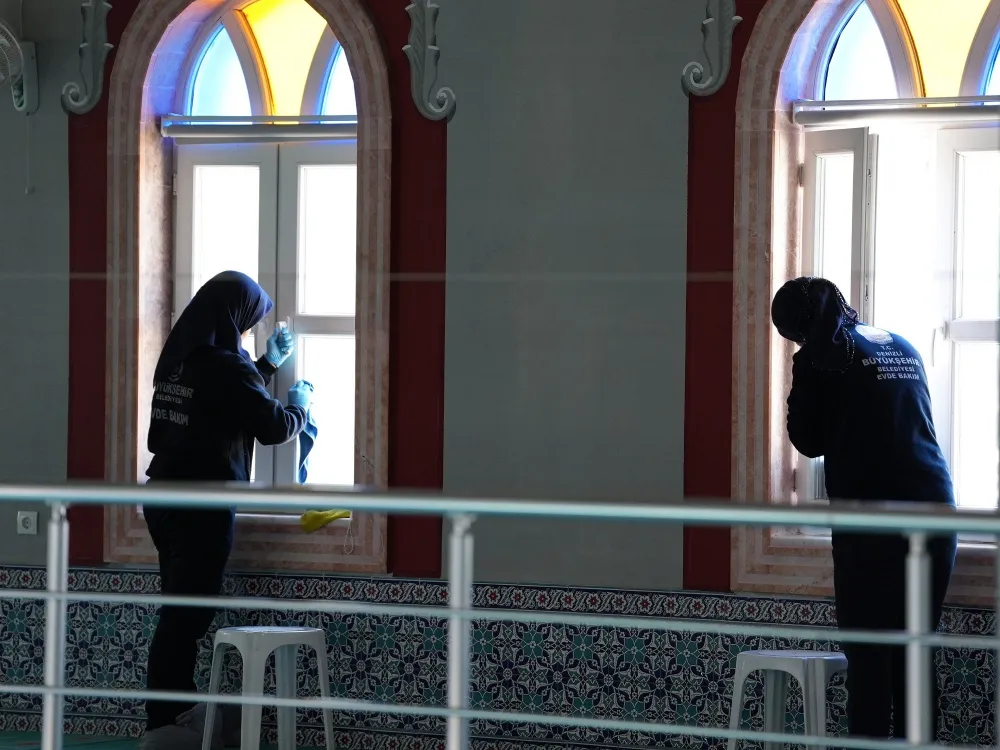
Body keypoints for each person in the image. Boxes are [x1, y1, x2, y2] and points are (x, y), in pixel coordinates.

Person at [771, 276, 956, 741]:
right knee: (915, 654)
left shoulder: (823, 358)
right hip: (936, 511)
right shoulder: (899, 343)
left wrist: (803, 365)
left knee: (869, 658)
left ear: (799, 328)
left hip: (873, 522)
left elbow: (807, 440)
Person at [140, 271, 314, 750]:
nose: (248, 329)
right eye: (249, 320)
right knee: (186, 618)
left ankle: (172, 712)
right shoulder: (225, 367)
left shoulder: (181, 358)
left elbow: (224, 398)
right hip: (202, 506)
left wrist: (266, 365)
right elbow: (272, 426)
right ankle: (166, 721)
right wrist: (302, 409)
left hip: (163, 498)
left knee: (178, 611)